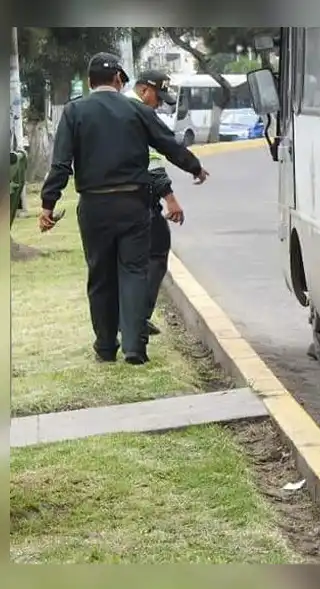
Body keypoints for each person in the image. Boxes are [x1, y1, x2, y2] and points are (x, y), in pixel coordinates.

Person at [39, 52, 209, 365]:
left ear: (90, 82)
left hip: (94, 206)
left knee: (100, 275)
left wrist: (49, 204)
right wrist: (194, 167)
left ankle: (105, 347)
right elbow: (167, 144)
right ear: (118, 79)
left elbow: (61, 164)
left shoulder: (75, 111)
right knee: (134, 272)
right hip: (133, 203)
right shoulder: (136, 110)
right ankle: (134, 347)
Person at [127, 70, 185, 339]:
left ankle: (123, 324)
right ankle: (138, 317)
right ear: (144, 91)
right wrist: (170, 198)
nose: (159, 105)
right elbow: (153, 160)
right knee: (157, 252)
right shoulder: (139, 114)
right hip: (138, 202)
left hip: (102, 200)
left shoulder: (113, 108)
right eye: (158, 98)